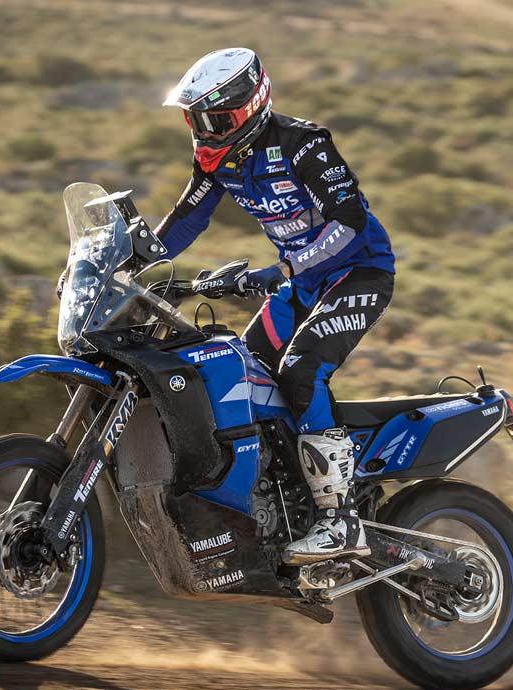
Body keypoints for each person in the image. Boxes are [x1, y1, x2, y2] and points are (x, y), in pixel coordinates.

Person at [157, 48, 395, 565]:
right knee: (246, 374)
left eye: (214, 120)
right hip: (304, 283)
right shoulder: (218, 160)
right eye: (195, 120)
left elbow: (350, 221)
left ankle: (341, 520)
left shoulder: (303, 144)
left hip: (359, 274)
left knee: (301, 370)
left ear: (248, 108)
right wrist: (131, 262)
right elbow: (188, 219)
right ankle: (287, 503)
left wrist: (285, 269)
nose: (204, 132)